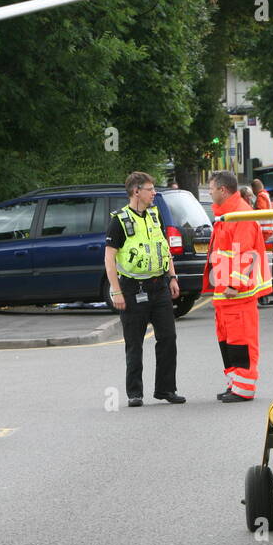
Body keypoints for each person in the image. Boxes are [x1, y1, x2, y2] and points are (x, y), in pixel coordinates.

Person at [105, 171, 185, 407]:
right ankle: (135, 392)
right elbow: (109, 259)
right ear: (136, 191)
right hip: (132, 287)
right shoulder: (119, 220)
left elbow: (163, 248)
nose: (154, 193)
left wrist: (172, 276)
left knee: (168, 337)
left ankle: (166, 389)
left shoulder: (154, 215)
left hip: (159, 285)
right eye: (150, 189)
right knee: (134, 342)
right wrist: (116, 291)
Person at [205, 171, 271, 402]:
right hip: (225, 293)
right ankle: (235, 383)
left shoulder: (239, 214)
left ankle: (244, 388)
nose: (210, 192)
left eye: (211, 188)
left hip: (237, 293)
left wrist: (233, 284)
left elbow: (246, 252)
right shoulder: (228, 214)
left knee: (241, 340)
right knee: (228, 340)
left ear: (223, 190)